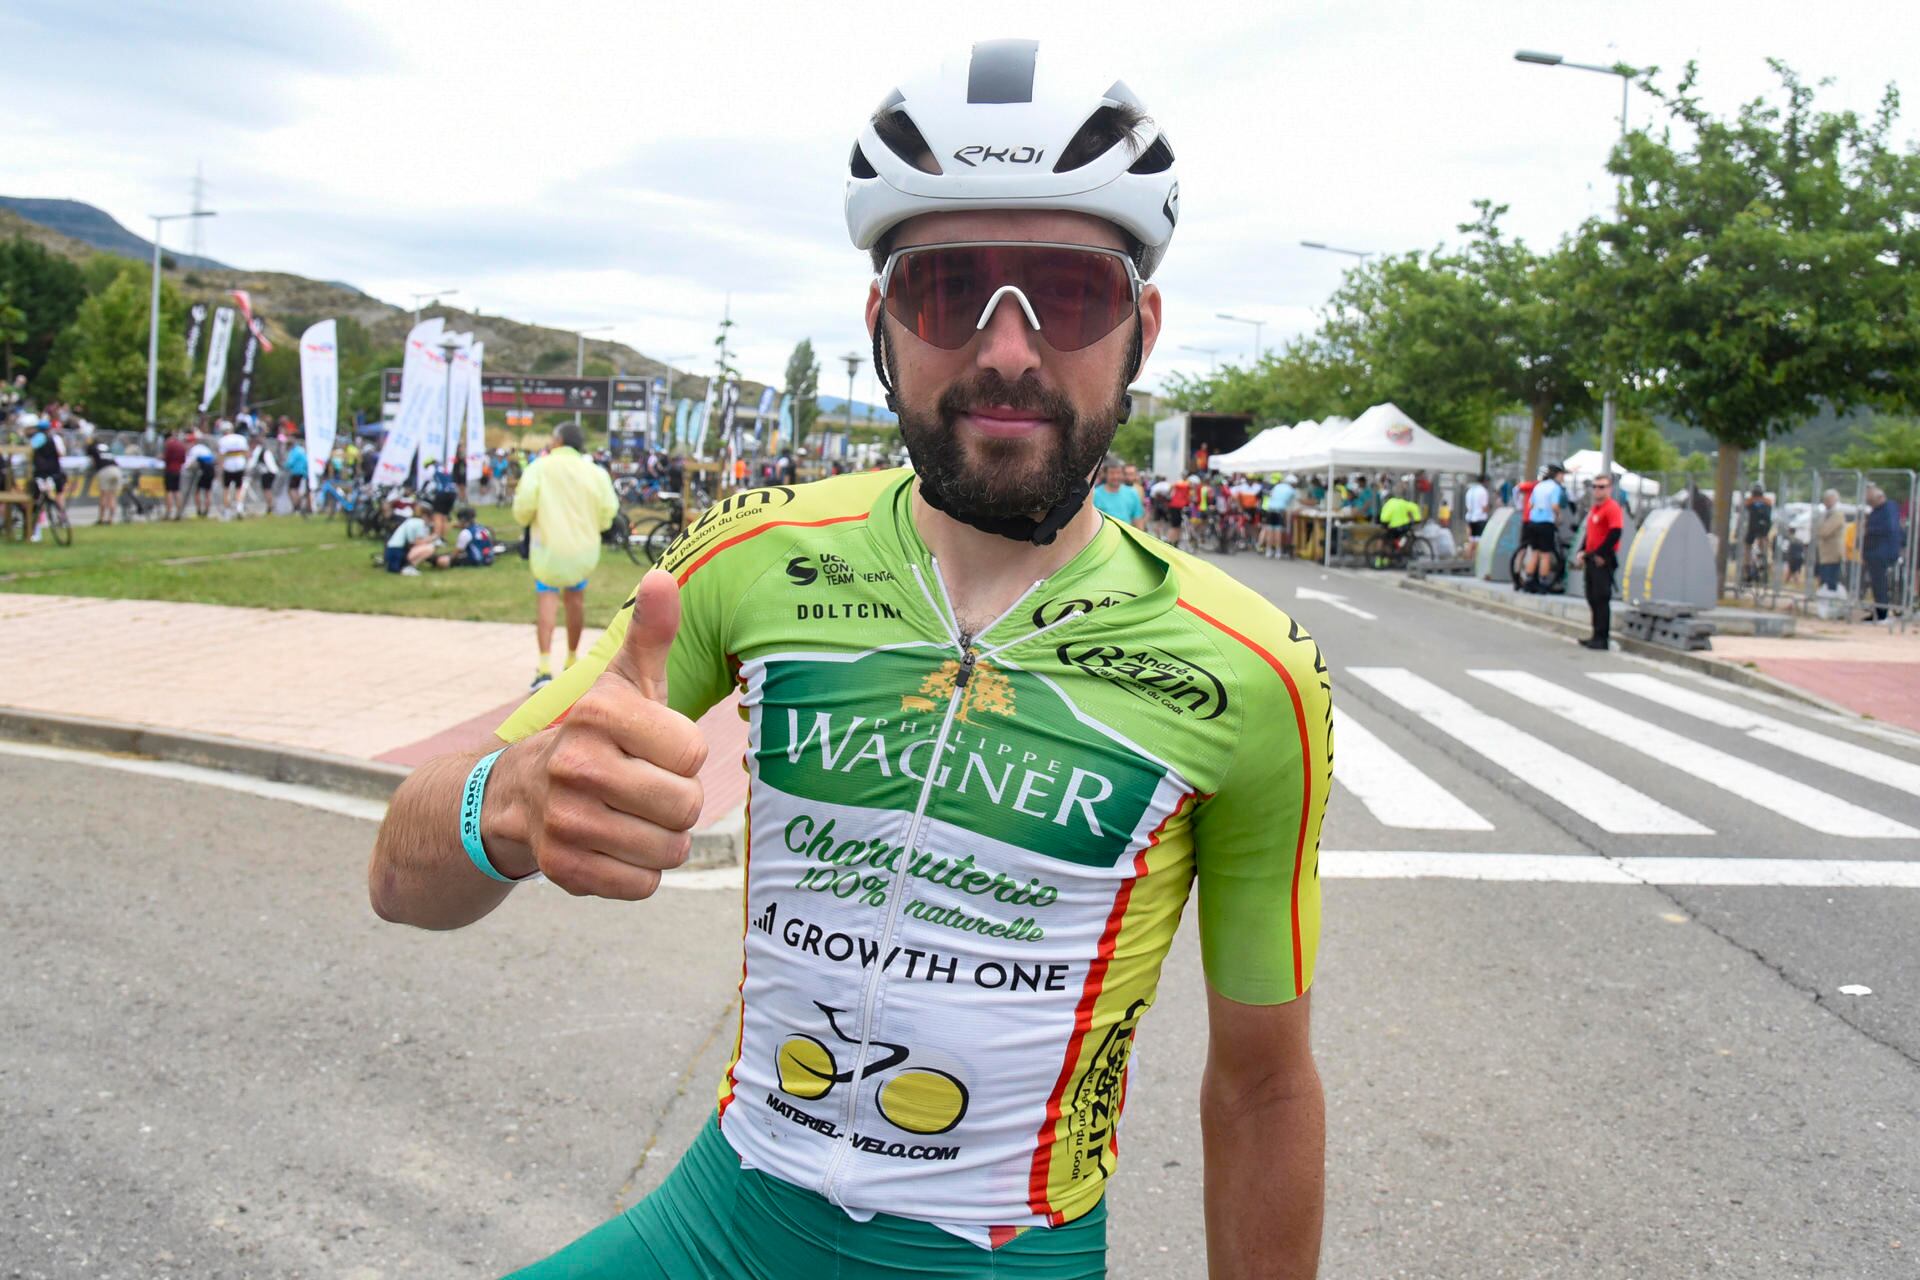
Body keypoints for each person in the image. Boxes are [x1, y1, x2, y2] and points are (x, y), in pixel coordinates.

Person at [369, 47, 1329, 1279]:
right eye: (951, 289)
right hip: (716, 1225)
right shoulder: (746, 557)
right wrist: (505, 803)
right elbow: (397, 876)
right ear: (882, 321)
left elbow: (1263, 1091)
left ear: (1140, 330)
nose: (1007, 350)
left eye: (1068, 294)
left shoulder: (1251, 671)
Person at [512, 422, 618, 689]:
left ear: (557, 441)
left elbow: (523, 508)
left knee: (546, 600)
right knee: (576, 601)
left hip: (548, 548)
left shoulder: (540, 468)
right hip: (582, 552)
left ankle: (544, 667)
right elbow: (608, 512)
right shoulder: (595, 472)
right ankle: (571, 660)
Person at [1571, 475, 1624, 649]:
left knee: (1601, 597)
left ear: (1609, 489)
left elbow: (1615, 533)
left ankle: (1602, 637)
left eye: (1601, 487)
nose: (1597, 490)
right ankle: (1595, 634)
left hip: (1603, 558)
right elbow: (1590, 533)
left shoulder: (1612, 508)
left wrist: (1601, 553)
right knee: (1592, 596)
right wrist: (1582, 550)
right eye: (1595, 487)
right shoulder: (1595, 509)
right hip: (1591, 557)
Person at [1519, 463, 1566, 593]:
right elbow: (1555, 506)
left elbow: (1530, 505)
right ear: (1557, 474)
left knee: (1534, 553)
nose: (1563, 478)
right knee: (1545, 555)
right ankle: (1543, 583)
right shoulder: (1555, 488)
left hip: (1533, 522)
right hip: (1546, 523)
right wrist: (1558, 517)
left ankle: (1529, 582)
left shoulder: (1538, 486)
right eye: (1562, 475)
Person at [1862, 484, 1902, 622]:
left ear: (1879, 497)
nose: (1870, 503)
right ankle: (1878, 612)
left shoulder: (1889, 508)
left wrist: (1869, 530)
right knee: (1876, 584)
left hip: (1883, 552)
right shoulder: (1877, 510)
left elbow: (1889, 528)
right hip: (1874, 553)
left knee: (1881, 584)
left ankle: (1883, 613)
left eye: (1871, 500)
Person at [384, 502, 447, 575]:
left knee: (428, 546)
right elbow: (417, 542)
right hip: (398, 551)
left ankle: (407, 566)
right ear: (426, 515)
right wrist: (434, 537)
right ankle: (409, 567)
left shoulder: (412, 521)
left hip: (392, 551)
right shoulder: (419, 522)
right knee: (430, 548)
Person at [1089, 459, 1144, 528]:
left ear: (1123, 474)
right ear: (1106, 474)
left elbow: (1138, 519)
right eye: (1112, 473)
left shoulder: (1132, 493)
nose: (1115, 476)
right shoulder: (1095, 494)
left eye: (1118, 473)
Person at [1815, 489, 1847, 594]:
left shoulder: (1838, 514)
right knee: (1824, 580)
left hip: (1833, 555)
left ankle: (1831, 603)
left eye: (1828, 499)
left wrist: (1818, 529)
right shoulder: (1825, 514)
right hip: (1824, 554)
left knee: (1831, 581)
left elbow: (1825, 531)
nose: (1826, 502)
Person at [85, 437, 122, 525]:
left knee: (104, 495)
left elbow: (93, 462)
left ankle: (101, 519)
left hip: (105, 470)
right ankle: (110, 519)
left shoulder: (92, 448)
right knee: (112, 496)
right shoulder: (106, 447)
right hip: (116, 470)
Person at [1741, 484, 1773, 585]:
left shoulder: (1749, 502)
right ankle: (1764, 564)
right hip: (1764, 529)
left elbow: (1744, 517)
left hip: (1752, 528)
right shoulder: (1767, 502)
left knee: (1747, 548)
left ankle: (1747, 571)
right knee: (1764, 547)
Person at [217, 422, 249, 518]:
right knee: (239, 488)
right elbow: (246, 453)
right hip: (240, 464)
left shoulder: (223, 440)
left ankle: (227, 511)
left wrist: (220, 468)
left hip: (228, 465)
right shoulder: (241, 438)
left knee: (226, 489)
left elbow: (221, 456)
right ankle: (239, 507)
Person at [1261, 472, 1297, 557]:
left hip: (1270, 510)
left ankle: (1268, 550)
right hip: (1279, 511)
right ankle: (1278, 551)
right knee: (1277, 532)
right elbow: (1292, 503)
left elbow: (1271, 496)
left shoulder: (1277, 486)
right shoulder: (1292, 490)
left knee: (1270, 531)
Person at [161, 428, 189, 520]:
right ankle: (179, 512)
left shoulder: (169, 445)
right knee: (177, 491)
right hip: (178, 470)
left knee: (169, 491)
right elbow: (184, 459)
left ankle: (168, 512)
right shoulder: (181, 445)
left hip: (170, 470)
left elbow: (166, 457)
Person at [1462, 473, 1490, 555]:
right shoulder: (1483, 491)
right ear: (1485, 481)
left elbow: (1468, 507)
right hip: (1479, 519)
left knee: (1471, 540)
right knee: (1478, 542)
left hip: (1469, 518)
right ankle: (1475, 561)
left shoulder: (1470, 490)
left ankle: (1467, 559)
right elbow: (1484, 508)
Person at [285, 439, 310, 514]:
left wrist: (284, 466)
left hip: (296, 472)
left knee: (291, 490)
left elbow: (290, 463)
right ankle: (298, 506)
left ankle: (296, 506)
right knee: (297, 490)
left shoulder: (294, 451)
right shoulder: (301, 450)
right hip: (303, 472)